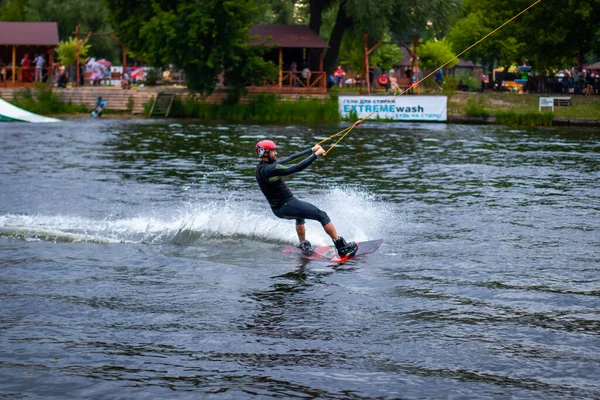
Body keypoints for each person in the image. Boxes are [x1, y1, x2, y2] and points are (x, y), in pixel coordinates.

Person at [255, 140, 358, 257]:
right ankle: (341, 247)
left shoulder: (261, 168)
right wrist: (316, 155)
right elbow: (296, 168)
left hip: (278, 209)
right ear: (264, 153)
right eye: (273, 151)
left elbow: (290, 158)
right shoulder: (270, 169)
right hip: (286, 205)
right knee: (321, 215)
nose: (276, 153)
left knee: (300, 216)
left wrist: (311, 150)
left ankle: (303, 244)